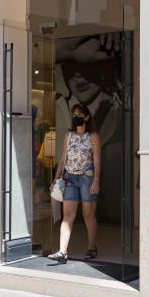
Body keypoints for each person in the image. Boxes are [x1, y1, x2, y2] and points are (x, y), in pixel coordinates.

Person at [48, 104, 102, 263]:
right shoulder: (69, 135)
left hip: (87, 178)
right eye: (74, 114)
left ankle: (92, 247)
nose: (76, 117)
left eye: (79, 114)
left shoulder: (93, 136)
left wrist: (97, 180)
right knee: (67, 216)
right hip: (70, 178)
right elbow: (63, 158)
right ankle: (62, 251)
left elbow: (97, 159)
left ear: (86, 117)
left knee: (88, 215)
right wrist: (56, 178)